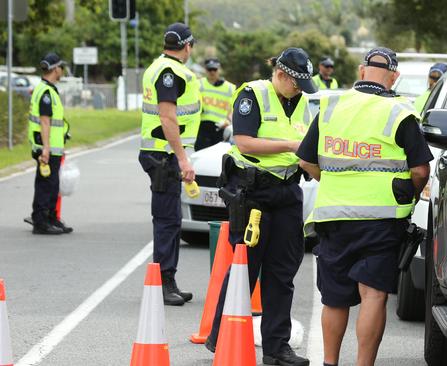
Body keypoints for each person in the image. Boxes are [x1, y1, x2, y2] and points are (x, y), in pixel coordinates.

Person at [297, 47, 432, 366]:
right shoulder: (401, 112)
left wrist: (333, 183)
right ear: (394, 77)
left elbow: (305, 160)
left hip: (333, 218)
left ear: (361, 72)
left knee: (333, 299)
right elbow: (421, 170)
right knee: (374, 295)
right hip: (381, 220)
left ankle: (329, 362)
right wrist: (409, 196)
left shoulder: (331, 106)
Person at [204, 47, 316, 366]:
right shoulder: (252, 94)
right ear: (280, 74)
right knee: (245, 267)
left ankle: (276, 348)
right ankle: (222, 336)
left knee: (282, 273)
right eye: (296, 83)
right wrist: (291, 145)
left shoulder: (303, 102)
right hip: (253, 193)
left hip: (287, 192)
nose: (299, 91)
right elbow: (244, 141)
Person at [138, 23, 200, 306]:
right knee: (167, 221)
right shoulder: (169, 73)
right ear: (187, 46)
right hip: (163, 155)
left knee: (171, 220)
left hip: (162, 154)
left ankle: (168, 279)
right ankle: (163, 282)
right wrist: (183, 158)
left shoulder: (158, 67)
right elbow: (167, 117)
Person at [28, 52, 73, 235]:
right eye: (61, 67)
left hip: (51, 147)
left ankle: (51, 218)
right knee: (46, 184)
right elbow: (45, 121)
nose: (62, 71)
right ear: (55, 69)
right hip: (46, 149)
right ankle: (41, 221)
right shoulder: (46, 92)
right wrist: (46, 148)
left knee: (52, 184)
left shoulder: (46, 88)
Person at [195, 57, 236, 151]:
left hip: (220, 128)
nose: (212, 72)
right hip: (202, 127)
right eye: (210, 69)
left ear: (219, 69)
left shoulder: (230, 88)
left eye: (214, 69)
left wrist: (229, 122)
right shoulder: (198, 84)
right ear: (205, 70)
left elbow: (233, 109)